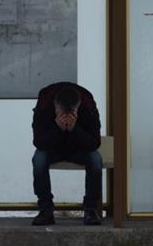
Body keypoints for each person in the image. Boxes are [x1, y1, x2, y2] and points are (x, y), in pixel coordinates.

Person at [31, 81, 103, 226]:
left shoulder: (87, 104)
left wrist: (74, 130)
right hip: (53, 148)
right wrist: (57, 129)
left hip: (79, 149)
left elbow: (95, 142)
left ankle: (90, 208)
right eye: (60, 114)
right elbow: (38, 141)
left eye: (71, 115)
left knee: (95, 160)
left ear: (78, 108)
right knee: (38, 159)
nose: (66, 118)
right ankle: (45, 209)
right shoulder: (45, 103)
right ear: (55, 106)